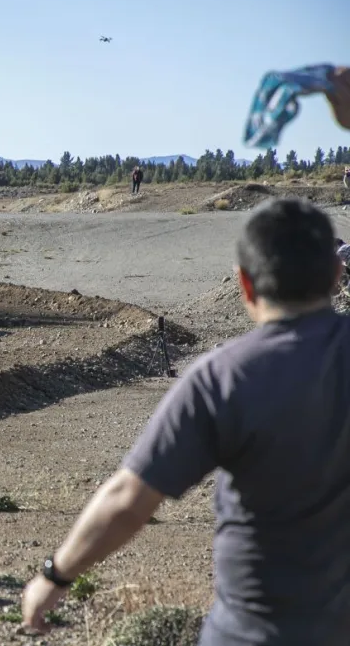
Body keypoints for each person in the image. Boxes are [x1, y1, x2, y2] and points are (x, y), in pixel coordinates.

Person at [22, 197, 350, 645]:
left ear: (245, 285)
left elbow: (128, 501)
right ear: (336, 275)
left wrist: (55, 577)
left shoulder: (223, 377)